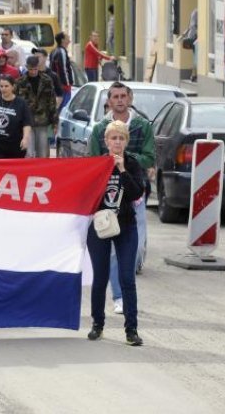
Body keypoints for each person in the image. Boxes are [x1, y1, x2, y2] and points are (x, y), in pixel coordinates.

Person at [87, 82, 155, 311]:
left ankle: (122, 292)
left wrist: (125, 159)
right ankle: (119, 298)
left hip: (134, 194)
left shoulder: (142, 126)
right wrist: (109, 162)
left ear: (130, 98)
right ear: (109, 100)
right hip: (107, 200)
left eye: (123, 96)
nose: (119, 100)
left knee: (134, 252)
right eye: (115, 96)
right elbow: (92, 162)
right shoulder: (100, 128)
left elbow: (149, 158)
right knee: (113, 249)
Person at [86, 120, 144, 347]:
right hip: (101, 225)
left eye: (121, 138)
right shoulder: (97, 163)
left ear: (126, 142)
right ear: (106, 141)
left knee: (127, 278)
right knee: (99, 278)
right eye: (113, 138)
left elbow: (137, 193)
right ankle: (97, 325)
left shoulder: (132, 164)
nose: (117, 142)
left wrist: (122, 169)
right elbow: (85, 190)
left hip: (126, 225)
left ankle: (131, 330)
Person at [15, 55, 57, 158]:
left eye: (35, 69)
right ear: (26, 67)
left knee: (42, 153)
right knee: (28, 153)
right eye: (30, 69)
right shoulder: (20, 82)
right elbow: (16, 103)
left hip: (42, 121)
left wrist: (55, 122)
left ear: (38, 67)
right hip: (26, 123)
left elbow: (52, 101)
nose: (33, 72)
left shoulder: (47, 80)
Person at [0, 75, 33, 159]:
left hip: (14, 145)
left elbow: (27, 123)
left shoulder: (21, 103)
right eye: (1, 86)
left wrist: (25, 138)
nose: (3, 89)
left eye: (6, 86)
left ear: (13, 87)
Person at [50, 32, 74, 111]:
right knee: (64, 108)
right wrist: (67, 84)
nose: (69, 41)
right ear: (63, 40)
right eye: (68, 38)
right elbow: (64, 69)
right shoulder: (61, 52)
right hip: (63, 85)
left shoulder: (54, 51)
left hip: (57, 84)